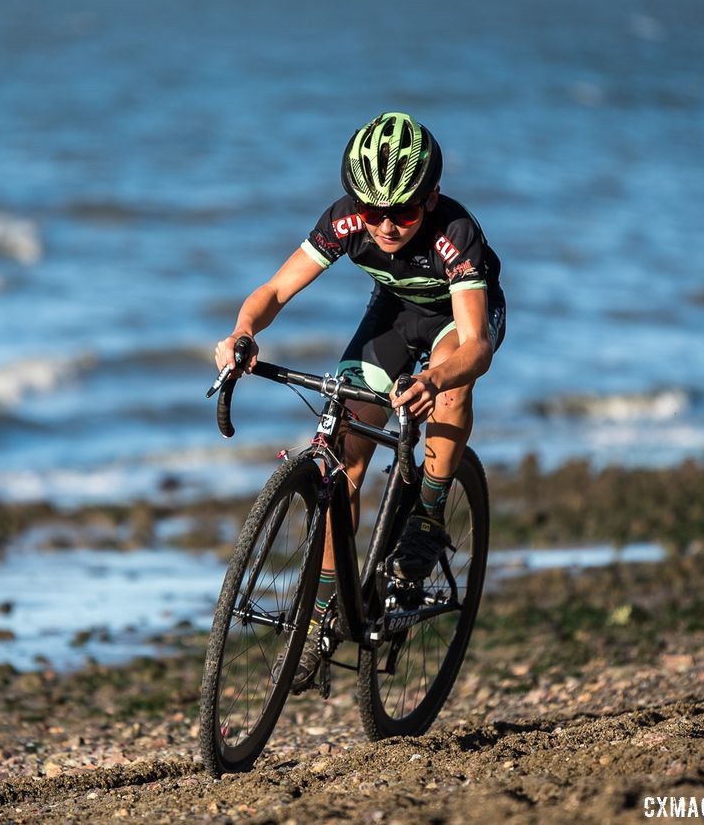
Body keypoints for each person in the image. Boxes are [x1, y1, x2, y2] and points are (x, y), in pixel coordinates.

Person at [213, 111, 506, 688]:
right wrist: (244, 334)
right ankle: (321, 614)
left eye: (404, 212)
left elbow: (475, 346)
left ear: (432, 196)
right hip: (394, 314)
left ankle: (426, 514)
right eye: (375, 213)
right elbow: (274, 290)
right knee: (345, 451)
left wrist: (434, 379)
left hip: (460, 318)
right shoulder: (347, 221)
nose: (388, 227)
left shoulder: (455, 234)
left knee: (450, 389)